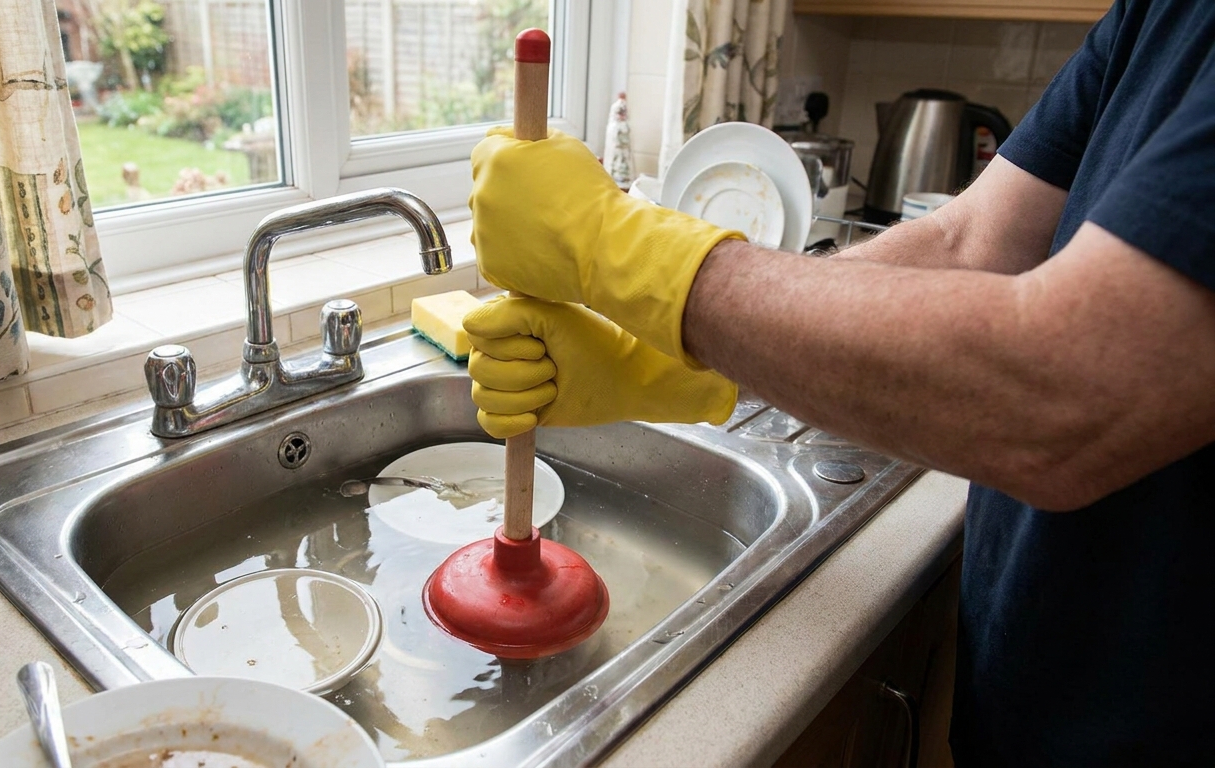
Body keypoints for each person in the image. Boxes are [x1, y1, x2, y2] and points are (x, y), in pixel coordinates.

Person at [460, 1, 1215, 764]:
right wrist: (672, 365)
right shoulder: (1155, 14)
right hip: (1033, 695)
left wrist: (610, 245)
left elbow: (1069, 388)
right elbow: (970, 240)